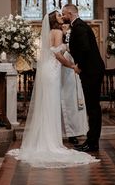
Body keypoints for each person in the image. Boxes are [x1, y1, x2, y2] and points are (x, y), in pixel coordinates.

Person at [7, 11, 100, 168]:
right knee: (52, 104)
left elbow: (54, 50)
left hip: (46, 69)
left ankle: (44, 138)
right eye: (58, 15)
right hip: (53, 71)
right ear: (53, 19)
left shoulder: (51, 32)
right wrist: (72, 66)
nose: (61, 16)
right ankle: (51, 141)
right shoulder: (56, 31)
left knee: (47, 104)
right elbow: (57, 54)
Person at [62, 4, 105, 152]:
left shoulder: (79, 27)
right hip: (91, 70)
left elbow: (85, 49)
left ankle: (92, 142)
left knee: (93, 108)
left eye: (64, 14)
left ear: (70, 13)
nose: (62, 17)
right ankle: (92, 140)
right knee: (92, 107)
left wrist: (79, 66)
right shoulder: (78, 26)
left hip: (91, 71)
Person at [61, 23, 88, 145]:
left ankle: (75, 131)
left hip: (72, 70)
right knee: (65, 100)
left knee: (73, 101)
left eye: (67, 26)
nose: (65, 27)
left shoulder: (73, 35)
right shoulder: (57, 35)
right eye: (63, 26)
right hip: (63, 70)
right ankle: (64, 131)